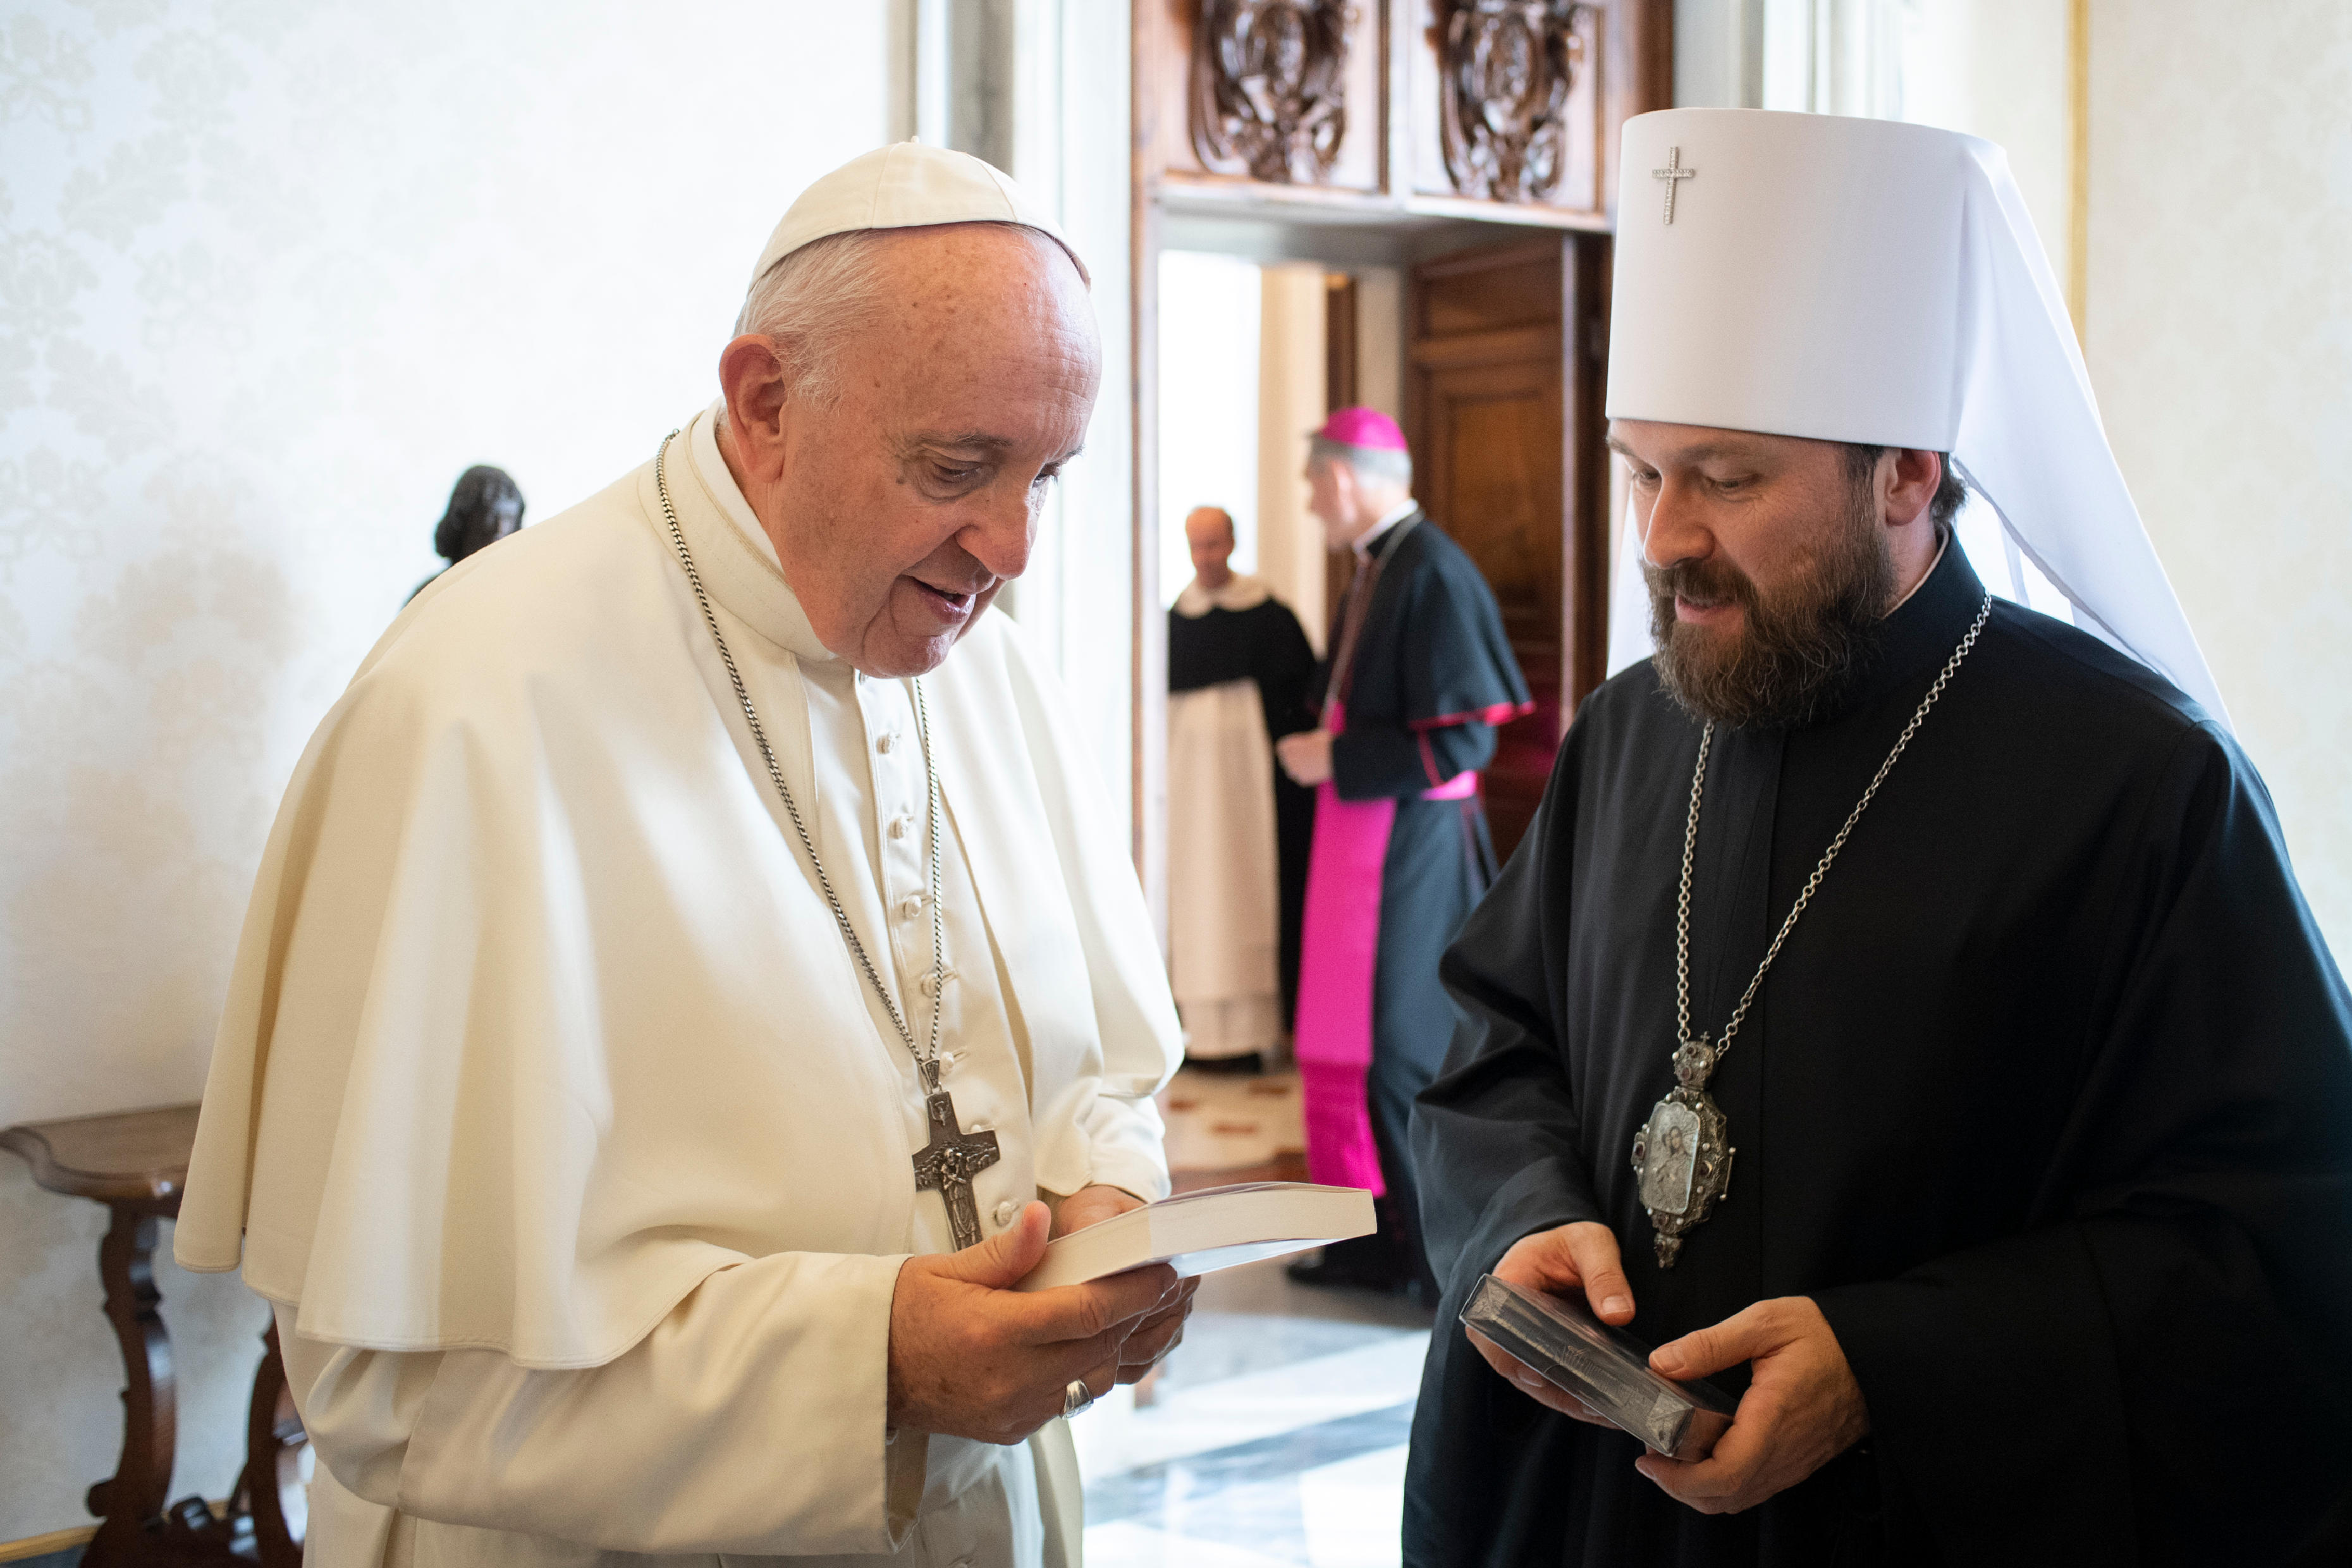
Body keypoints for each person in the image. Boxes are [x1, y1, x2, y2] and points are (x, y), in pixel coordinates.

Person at [175, 143, 1197, 1568]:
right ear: (767, 404)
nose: (1013, 546)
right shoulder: (475, 698)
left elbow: (1100, 1076)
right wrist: (873, 1364)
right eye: (957, 467)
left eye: (1049, 475)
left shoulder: (989, 673)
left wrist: (1105, 1199)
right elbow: (379, 1386)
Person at [1406, 109, 2352, 1566]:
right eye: (1640, 469)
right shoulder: (1628, 731)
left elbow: (2274, 1246)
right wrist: (1517, 1216)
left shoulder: (2142, 783)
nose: (1660, 535)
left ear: (1905, 471)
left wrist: (1891, 1367)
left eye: (1725, 478)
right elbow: (1494, 1046)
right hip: (1603, 1518)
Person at [1277, 408, 1529, 1294]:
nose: (1310, 500)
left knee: (1397, 1048)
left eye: (1313, 483)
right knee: (1342, 1044)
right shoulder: (1378, 565)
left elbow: (1465, 742)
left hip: (1413, 844)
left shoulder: (1433, 570)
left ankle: (1430, 1256)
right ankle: (1367, 1244)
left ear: (1343, 477)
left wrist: (1338, 759)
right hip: (1363, 835)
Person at [1166, 504, 1318, 1070]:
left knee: (1255, 893)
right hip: (1189, 796)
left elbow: (1299, 707)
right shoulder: (1173, 622)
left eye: (1213, 544)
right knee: (1196, 898)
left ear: (1232, 544)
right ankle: (1194, 1034)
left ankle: (1259, 1031)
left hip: (1256, 797)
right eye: (1195, 546)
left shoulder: (1270, 618)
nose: (1204, 557)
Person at [406, 463, 524, 603]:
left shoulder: (521, 597)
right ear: (463, 519)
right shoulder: (428, 599)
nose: (500, 530)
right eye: (491, 517)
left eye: (508, 519)